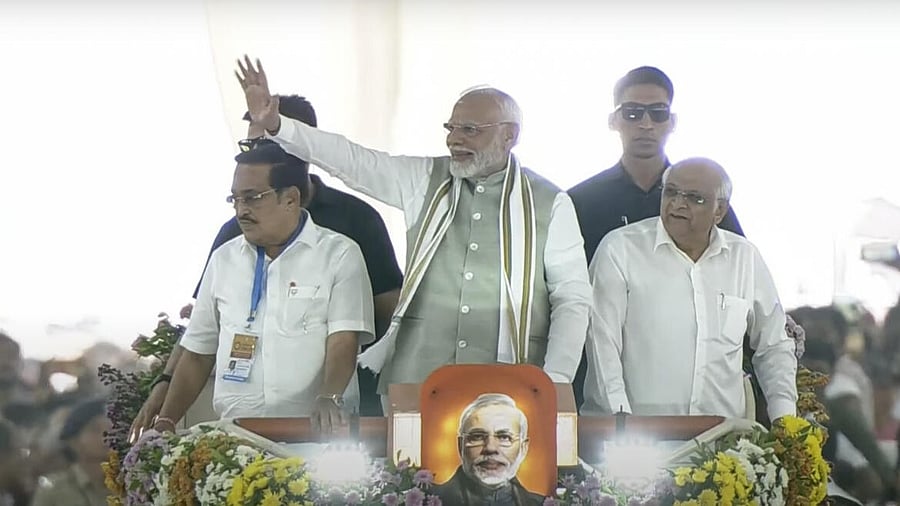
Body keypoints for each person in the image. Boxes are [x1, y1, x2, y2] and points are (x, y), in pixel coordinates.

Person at [236, 57, 591, 408]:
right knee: (406, 469)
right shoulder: (424, 179)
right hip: (416, 379)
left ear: (509, 135)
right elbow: (353, 160)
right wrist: (277, 125)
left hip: (512, 381)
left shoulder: (550, 203)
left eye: (470, 130)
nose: (454, 140)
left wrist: (556, 378)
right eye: (450, 129)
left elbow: (572, 298)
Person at [129, 95, 402, 438]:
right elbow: (198, 348)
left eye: (252, 198)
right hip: (233, 431)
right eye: (235, 199)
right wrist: (166, 417)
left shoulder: (342, 248)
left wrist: (333, 396)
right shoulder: (226, 254)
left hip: (317, 432)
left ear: (290, 198)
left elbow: (345, 338)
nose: (241, 210)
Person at [568, 66, 745, 408]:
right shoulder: (580, 202)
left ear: (672, 121)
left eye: (657, 113)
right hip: (600, 379)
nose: (646, 124)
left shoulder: (706, 197)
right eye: (633, 113)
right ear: (614, 120)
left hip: (693, 390)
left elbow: (738, 275)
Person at [582, 157, 797, 421]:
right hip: (638, 445)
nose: (678, 204)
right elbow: (602, 346)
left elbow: (774, 346)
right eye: (671, 192)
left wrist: (786, 421)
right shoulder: (620, 250)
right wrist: (621, 425)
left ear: (720, 211)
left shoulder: (745, 258)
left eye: (694, 198)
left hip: (725, 446)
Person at [431, 393, 543, 506]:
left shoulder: (543, 504)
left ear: (523, 448)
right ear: (461, 445)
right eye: (477, 437)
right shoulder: (424, 501)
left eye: (504, 437)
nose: (490, 448)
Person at [30, 399, 109, 506]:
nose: (107, 436)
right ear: (74, 442)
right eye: (95, 430)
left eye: (112, 429)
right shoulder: (53, 489)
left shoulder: (129, 483)